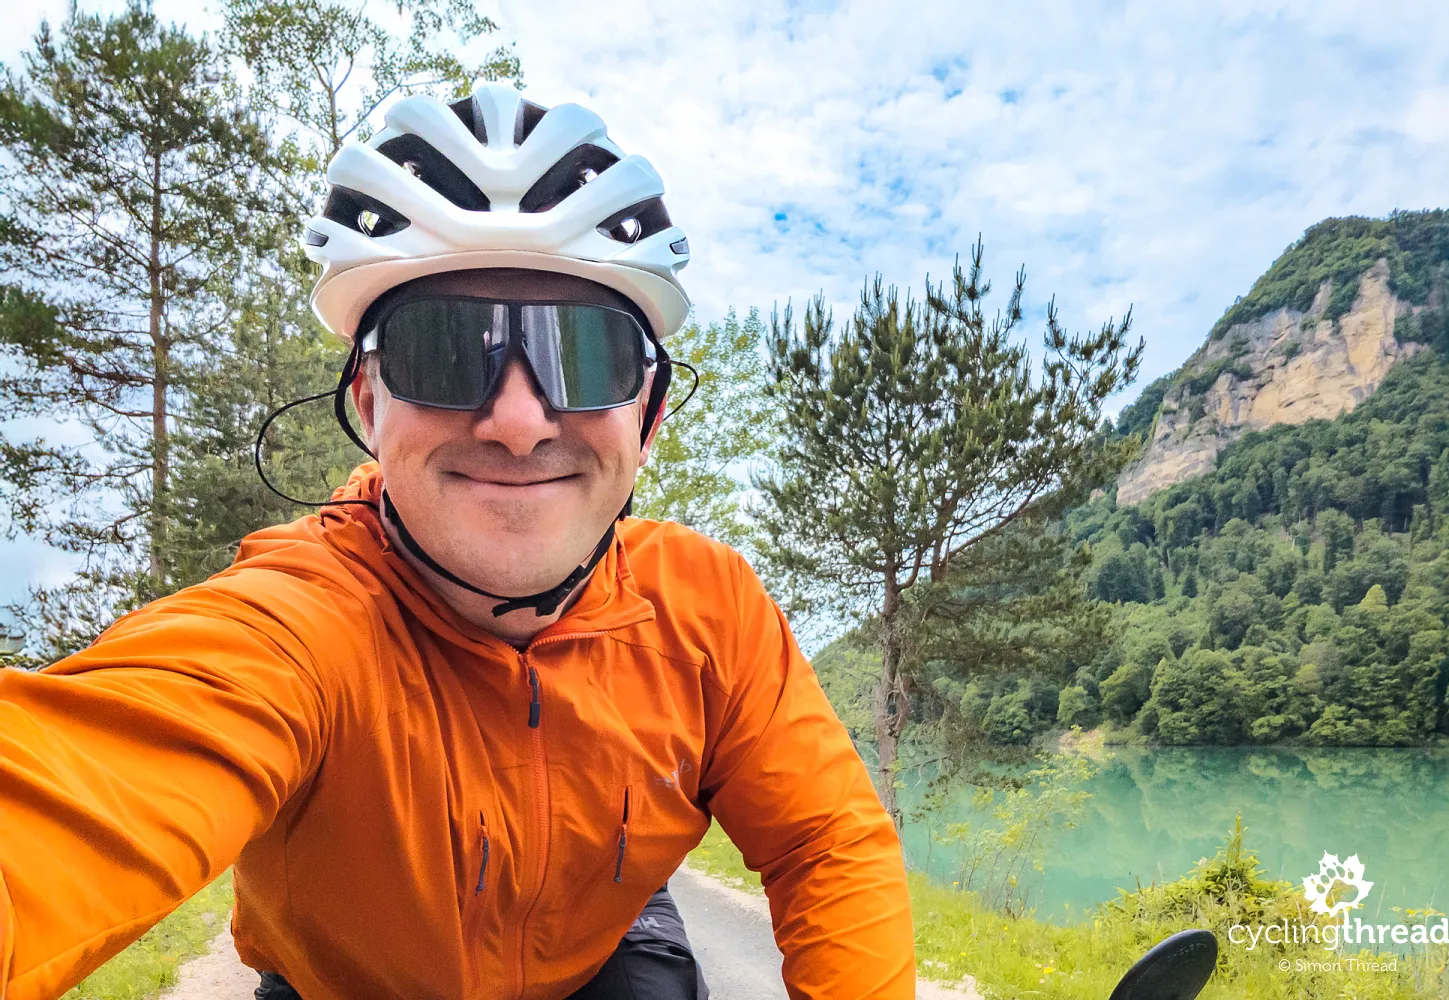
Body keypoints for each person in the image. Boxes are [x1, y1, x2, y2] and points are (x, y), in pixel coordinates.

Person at [0, 82, 915, 1000]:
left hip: (596, 953)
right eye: (442, 349)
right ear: (367, 402)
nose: (518, 421)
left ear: (648, 413)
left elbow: (825, 839)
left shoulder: (708, 606)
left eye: (585, 354)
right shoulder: (296, 623)